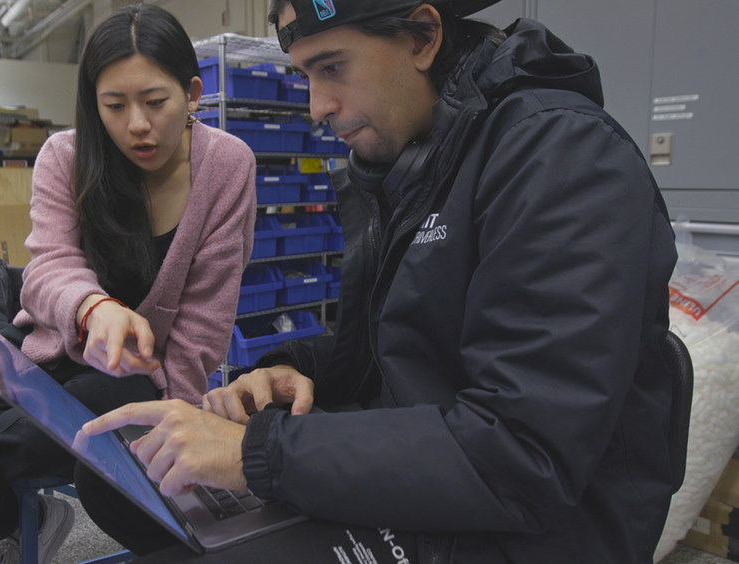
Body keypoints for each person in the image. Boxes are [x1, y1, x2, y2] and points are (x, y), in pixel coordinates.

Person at [82, 0, 679, 562]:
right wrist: (300, 369)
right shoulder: (418, 159)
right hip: (430, 481)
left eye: (332, 67)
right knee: (124, 481)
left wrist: (255, 454)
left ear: (423, 37)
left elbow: (523, 454)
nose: (317, 105)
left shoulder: (560, 154)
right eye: (305, 75)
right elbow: (408, 349)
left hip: (515, 530)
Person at [0, 4, 257, 564]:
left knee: (1, 446)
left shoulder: (227, 165)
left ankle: (17, 516)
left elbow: (207, 316)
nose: (136, 124)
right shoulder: (65, 156)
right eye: (114, 106)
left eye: (155, 102)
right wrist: (94, 308)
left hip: (141, 374)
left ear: (192, 93)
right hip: (44, 343)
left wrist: (180, 414)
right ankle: (14, 524)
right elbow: (45, 270)